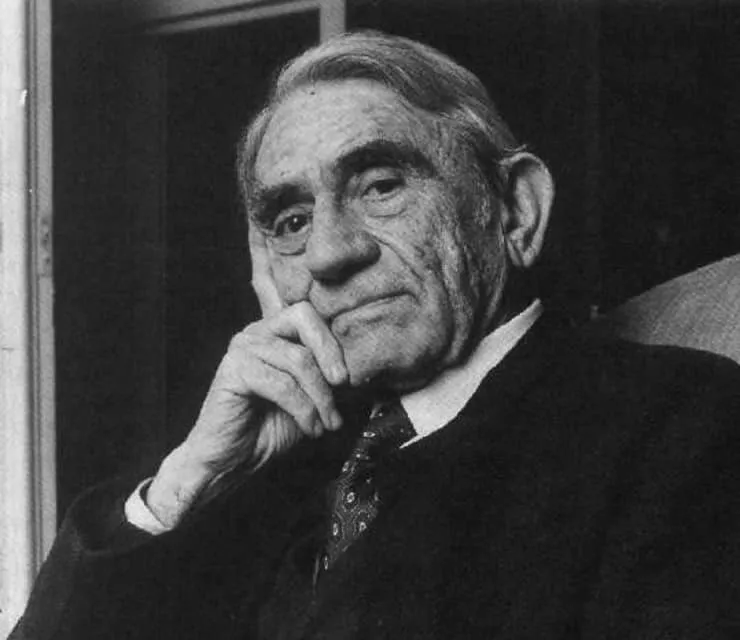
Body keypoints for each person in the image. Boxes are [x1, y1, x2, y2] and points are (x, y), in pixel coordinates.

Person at [12, 31, 740, 640]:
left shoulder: (681, 425)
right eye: (291, 222)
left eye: (381, 185)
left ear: (516, 211)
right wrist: (184, 484)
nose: (329, 253)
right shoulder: (263, 470)